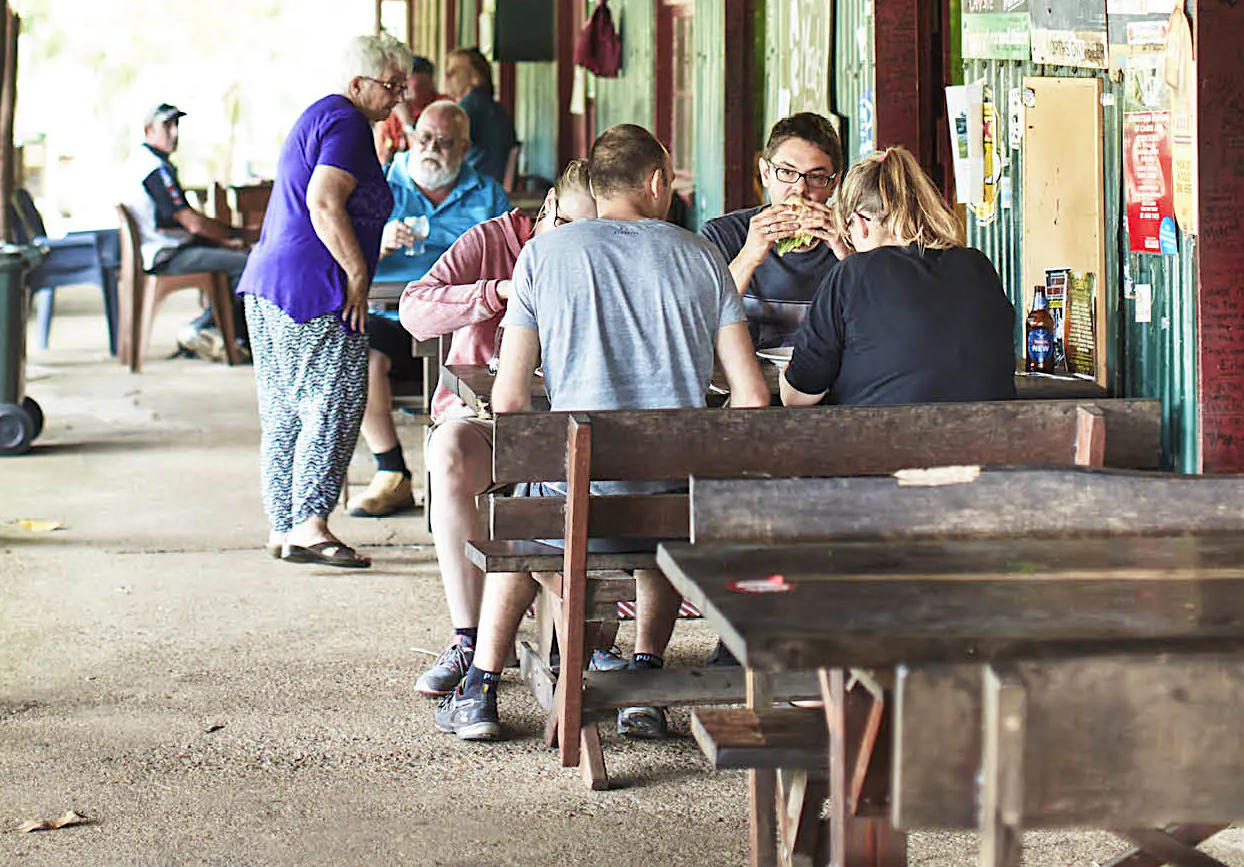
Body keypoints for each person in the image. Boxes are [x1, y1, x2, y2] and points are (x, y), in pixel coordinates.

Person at [434, 123, 768, 746]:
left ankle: (480, 687)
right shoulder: (701, 256)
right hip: (674, 511)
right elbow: (751, 396)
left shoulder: (542, 255)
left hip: (573, 510)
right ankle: (644, 681)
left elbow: (507, 399)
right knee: (661, 500)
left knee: (528, 507)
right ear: (657, 182)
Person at [400, 160, 594, 699]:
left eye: (592, 232)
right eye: (569, 228)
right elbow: (415, 311)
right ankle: (468, 637)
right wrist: (495, 293)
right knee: (449, 452)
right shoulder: (491, 240)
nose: (576, 245)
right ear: (549, 207)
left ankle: (593, 643)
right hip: (486, 422)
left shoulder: (606, 259)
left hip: (569, 430)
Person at [239, 32, 409, 566]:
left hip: (269, 284)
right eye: (392, 85)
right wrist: (356, 273)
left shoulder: (322, 116)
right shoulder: (347, 122)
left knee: (286, 407)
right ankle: (311, 523)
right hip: (315, 289)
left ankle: (284, 523)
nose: (399, 96)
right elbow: (323, 200)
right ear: (359, 84)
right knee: (332, 402)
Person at [348, 101, 513, 519]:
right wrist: (377, 242)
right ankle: (391, 471)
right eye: (424, 138)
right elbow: (343, 249)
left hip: (467, 325)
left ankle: (478, 477)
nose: (431, 148)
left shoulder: (487, 192)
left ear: (465, 146)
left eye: (444, 141)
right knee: (362, 357)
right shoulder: (383, 182)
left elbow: (511, 258)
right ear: (411, 136)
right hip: (394, 313)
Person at [780, 146, 1017, 409]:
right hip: (989, 444)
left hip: (883, 446)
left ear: (859, 222)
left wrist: (784, 376)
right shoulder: (978, 265)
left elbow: (797, 397)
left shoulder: (851, 274)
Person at [704, 113, 848, 355]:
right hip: (738, 387)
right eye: (787, 172)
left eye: (816, 177)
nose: (800, 188)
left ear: (834, 184)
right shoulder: (722, 236)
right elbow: (700, 325)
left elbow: (885, 325)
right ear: (766, 174)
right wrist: (749, 257)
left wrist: (848, 256)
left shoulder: (856, 238)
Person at [119, 100, 249, 360]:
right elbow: (192, 222)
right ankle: (205, 329)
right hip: (167, 255)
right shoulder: (153, 168)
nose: (174, 132)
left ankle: (218, 332)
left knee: (234, 258)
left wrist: (223, 242)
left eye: (176, 124)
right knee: (250, 264)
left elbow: (183, 224)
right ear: (148, 131)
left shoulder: (142, 162)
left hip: (165, 249)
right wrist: (236, 234)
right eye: (166, 125)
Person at [443, 47, 518, 190]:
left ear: (476, 77)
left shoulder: (470, 105)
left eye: (454, 71)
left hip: (474, 191)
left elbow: (446, 152)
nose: (447, 75)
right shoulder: (496, 108)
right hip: (493, 190)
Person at [373, 55, 437, 164]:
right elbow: (381, 161)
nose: (401, 94)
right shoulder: (391, 113)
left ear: (429, 83)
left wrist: (407, 122)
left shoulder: (442, 109)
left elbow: (426, 159)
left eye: (406, 87)